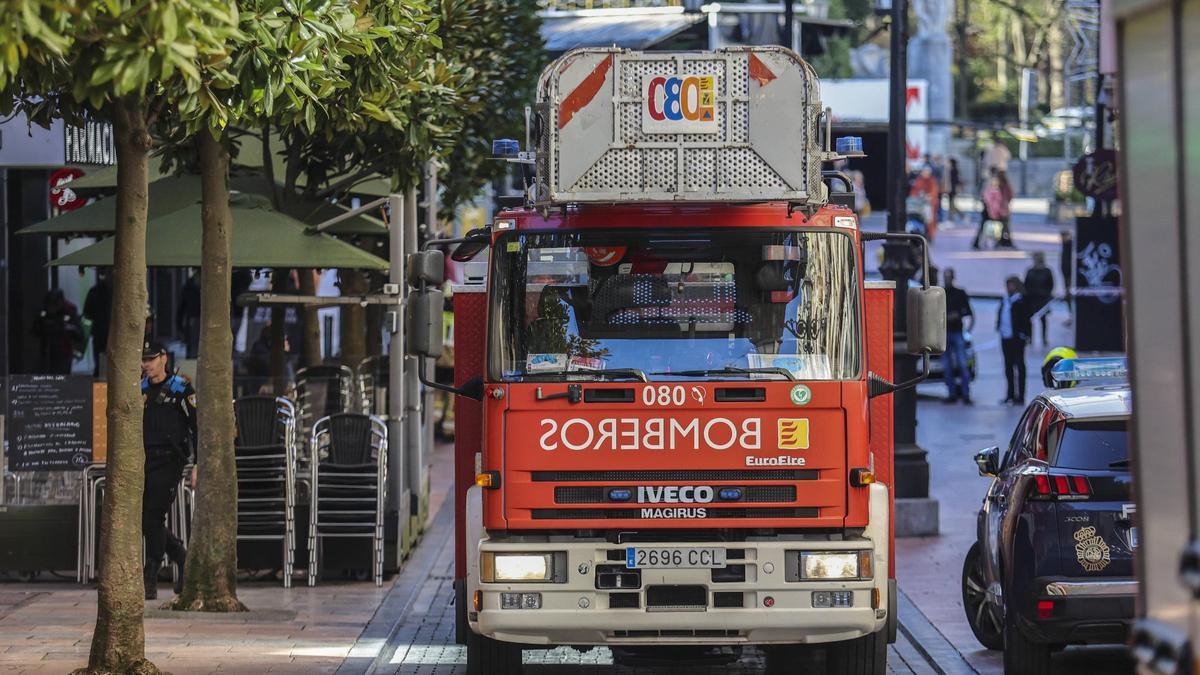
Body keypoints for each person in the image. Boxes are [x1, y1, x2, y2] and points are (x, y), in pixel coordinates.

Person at [140, 341, 196, 600]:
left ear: (163, 358)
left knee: (153, 516)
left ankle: (150, 575)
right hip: (142, 462)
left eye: (151, 359)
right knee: (145, 519)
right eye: (144, 360)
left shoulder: (180, 389)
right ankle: (181, 557)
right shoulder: (138, 389)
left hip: (169, 461)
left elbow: (197, 426)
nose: (147, 364)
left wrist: (197, 465)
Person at [997, 276, 1033, 406]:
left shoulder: (1021, 301)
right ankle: (1010, 394)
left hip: (1017, 338)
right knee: (1008, 367)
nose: (1009, 288)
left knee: (1019, 366)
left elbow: (1027, 319)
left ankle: (1021, 396)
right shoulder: (1005, 300)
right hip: (1005, 337)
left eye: (1011, 285)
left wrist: (1026, 335)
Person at [942, 268, 974, 404]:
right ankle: (952, 393)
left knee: (962, 364)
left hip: (956, 331)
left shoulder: (960, 293)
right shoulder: (940, 293)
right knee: (946, 365)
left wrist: (957, 315)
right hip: (944, 332)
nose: (946, 279)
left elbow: (968, 312)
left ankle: (965, 393)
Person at [33, 288, 83, 374]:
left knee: (62, 375)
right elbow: (36, 329)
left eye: (55, 304)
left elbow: (79, 332)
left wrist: (67, 328)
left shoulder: (69, 310)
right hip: (47, 350)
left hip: (64, 351)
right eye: (51, 305)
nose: (53, 308)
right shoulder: (44, 311)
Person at [83, 271, 113, 378]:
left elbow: (87, 315)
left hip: (102, 335)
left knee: (102, 369)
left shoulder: (95, 291)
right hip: (104, 336)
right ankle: (100, 393)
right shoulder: (97, 292)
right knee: (103, 368)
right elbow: (87, 316)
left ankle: (100, 393)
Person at [1023, 252, 1055, 346]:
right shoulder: (1030, 271)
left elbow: (1051, 285)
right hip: (1032, 298)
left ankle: (1044, 338)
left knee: (1043, 319)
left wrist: (1047, 295)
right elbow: (1026, 284)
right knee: (1030, 320)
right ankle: (1030, 338)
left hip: (1042, 299)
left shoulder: (1047, 271)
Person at [909, 164, 940, 241]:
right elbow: (914, 191)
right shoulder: (919, 180)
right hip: (919, 204)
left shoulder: (932, 181)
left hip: (929, 204)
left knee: (930, 220)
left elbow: (934, 192)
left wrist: (928, 197)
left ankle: (930, 235)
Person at [1060, 229, 1075, 326]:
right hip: (1066, 276)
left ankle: (1073, 317)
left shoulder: (1071, 247)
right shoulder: (1065, 246)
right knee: (1068, 298)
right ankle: (1071, 316)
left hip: (1070, 277)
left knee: (1071, 297)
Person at [947, 158, 963, 223]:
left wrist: (956, 187)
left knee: (951, 204)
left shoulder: (953, 170)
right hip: (951, 188)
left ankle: (954, 217)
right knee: (951, 204)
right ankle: (952, 217)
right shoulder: (952, 170)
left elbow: (956, 180)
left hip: (952, 189)